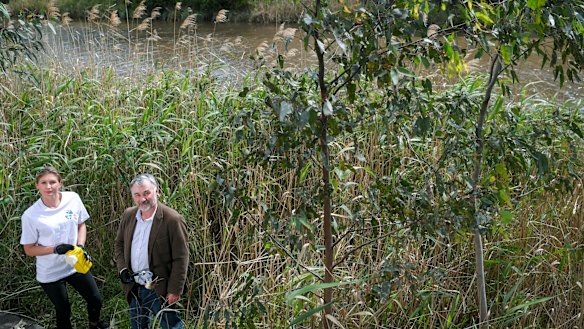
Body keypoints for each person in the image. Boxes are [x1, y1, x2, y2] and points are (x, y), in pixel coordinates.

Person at [20, 165, 109, 329]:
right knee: (63, 309)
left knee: (96, 299)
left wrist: (80, 246)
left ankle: (94, 325)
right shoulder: (31, 215)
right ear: (37, 185)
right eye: (44, 182)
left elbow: (81, 225)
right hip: (50, 271)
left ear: (60, 183)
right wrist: (54, 249)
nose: (49, 186)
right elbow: (29, 249)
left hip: (75, 263)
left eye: (53, 182)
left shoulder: (72, 199)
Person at [114, 173, 189, 329]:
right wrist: (122, 269)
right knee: (138, 324)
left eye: (146, 193)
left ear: (156, 191)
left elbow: (181, 257)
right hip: (134, 286)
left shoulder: (172, 219)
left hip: (159, 287)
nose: (142, 199)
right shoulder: (129, 215)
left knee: (170, 325)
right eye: (137, 195)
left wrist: (175, 289)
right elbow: (119, 244)